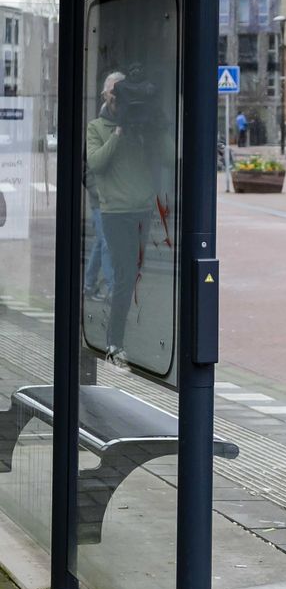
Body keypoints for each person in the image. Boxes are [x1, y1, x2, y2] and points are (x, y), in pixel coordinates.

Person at [86, 70, 173, 367]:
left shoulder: (143, 125)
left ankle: (127, 335)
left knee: (135, 273)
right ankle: (115, 341)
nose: (116, 97)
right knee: (124, 274)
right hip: (114, 213)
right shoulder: (97, 127)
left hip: (142, 209)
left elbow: (169, 157)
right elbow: (96, 163)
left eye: (121, 91)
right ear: (105, 96)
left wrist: (157, 124)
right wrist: (120, 130)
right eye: (113, 91)